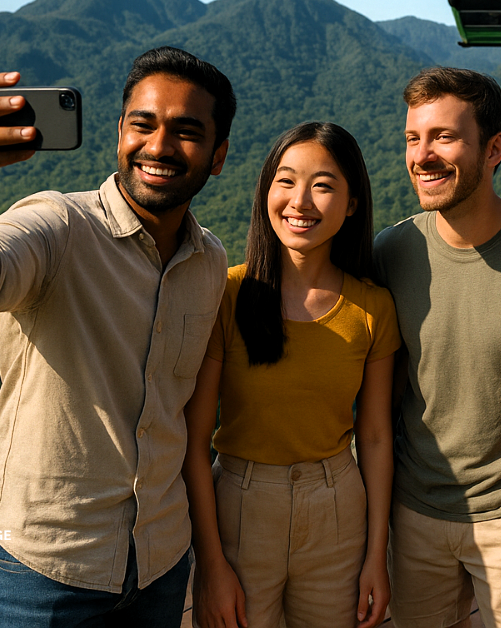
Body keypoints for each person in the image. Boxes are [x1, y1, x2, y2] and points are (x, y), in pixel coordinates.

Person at [0, 46, 235, 626]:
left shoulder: (209, 261)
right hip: (42, 570)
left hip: (161, 561)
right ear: (119, 133)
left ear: (218, 156)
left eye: (186, 132)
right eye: (143, 124)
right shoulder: (59, 227)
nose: (158, 146)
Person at [374, 67, 501, 628]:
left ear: (494, 149)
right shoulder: (394, 249)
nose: (423, 155)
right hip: (413, 513)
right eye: (413, 139)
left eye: (444, 137)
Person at [184, 122, 398, 628]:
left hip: (338, 507)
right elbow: (194, 443)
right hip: (240, 506)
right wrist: (212, 567)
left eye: (323, 185)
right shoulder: (228, 294)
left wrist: (376, 556)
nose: (300, 201)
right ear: (265, 193)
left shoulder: (372, 308)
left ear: (351, 204)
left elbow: (373, 436)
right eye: (286, 181)